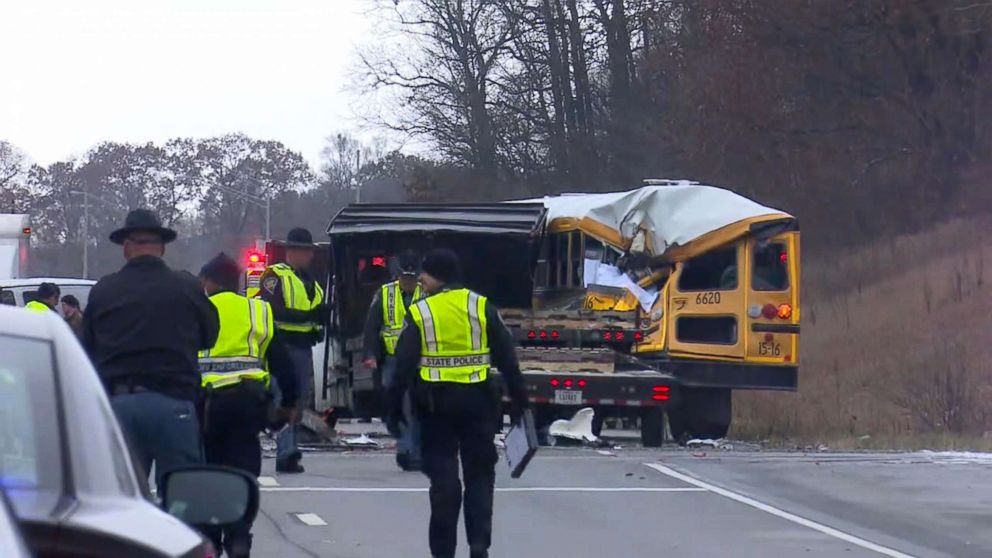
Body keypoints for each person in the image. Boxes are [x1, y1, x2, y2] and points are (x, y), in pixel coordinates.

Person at [390, 249, 529, 558]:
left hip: (435, 408)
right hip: (478, 404)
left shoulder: (422, 312)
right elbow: (507, 358)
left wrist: (392, 409)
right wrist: (521, 401)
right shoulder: (481, 306)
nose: (421, 280)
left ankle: (443, 552)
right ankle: (478, 544)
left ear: (436, 276)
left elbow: (403, 365)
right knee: (480, 477)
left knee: (443, 483)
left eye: (424, 274)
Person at [82, 209, 220, 487]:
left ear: (126, 248)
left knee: (120, 497)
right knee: (183, 496)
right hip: (174, 403)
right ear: (162, 248)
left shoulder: (104, 290)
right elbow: (210, 337)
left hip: (119, 404)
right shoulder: (186, 286)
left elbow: (87, 349)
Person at [197, 253, 299, 558]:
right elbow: (283, 363)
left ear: (210, 281)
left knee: (209, 471)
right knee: (244, 472)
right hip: (248, 404)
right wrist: (290, 404)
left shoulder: (199, 309)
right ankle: (240, 535)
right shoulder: (258, 311)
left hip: (206, 407)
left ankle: (212, 536)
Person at [257, 227, 327, 474]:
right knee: (284, 398)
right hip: (282, 348)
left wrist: (319, 324)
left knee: (299, 401)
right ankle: (285, 452)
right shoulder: (274, 275)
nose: (309, 256)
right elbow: (273, 311)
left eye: (310, 252)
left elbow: (314, 315)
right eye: (305, 251)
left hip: (304, 348)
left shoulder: (311, 282)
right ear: (293, 251)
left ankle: (290, 448)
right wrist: (309, 316)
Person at [363, 250, 424, 471]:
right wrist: (369, 354)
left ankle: (410, 451)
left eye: (412, 278)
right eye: (405, 278)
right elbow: (372, 325)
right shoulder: (385, 293)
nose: (408, 282)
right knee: (394, 406)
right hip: (392, 360)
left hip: (419, 361)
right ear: (397, 276)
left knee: (415, 407)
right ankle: (405, 445)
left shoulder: (426, 294)